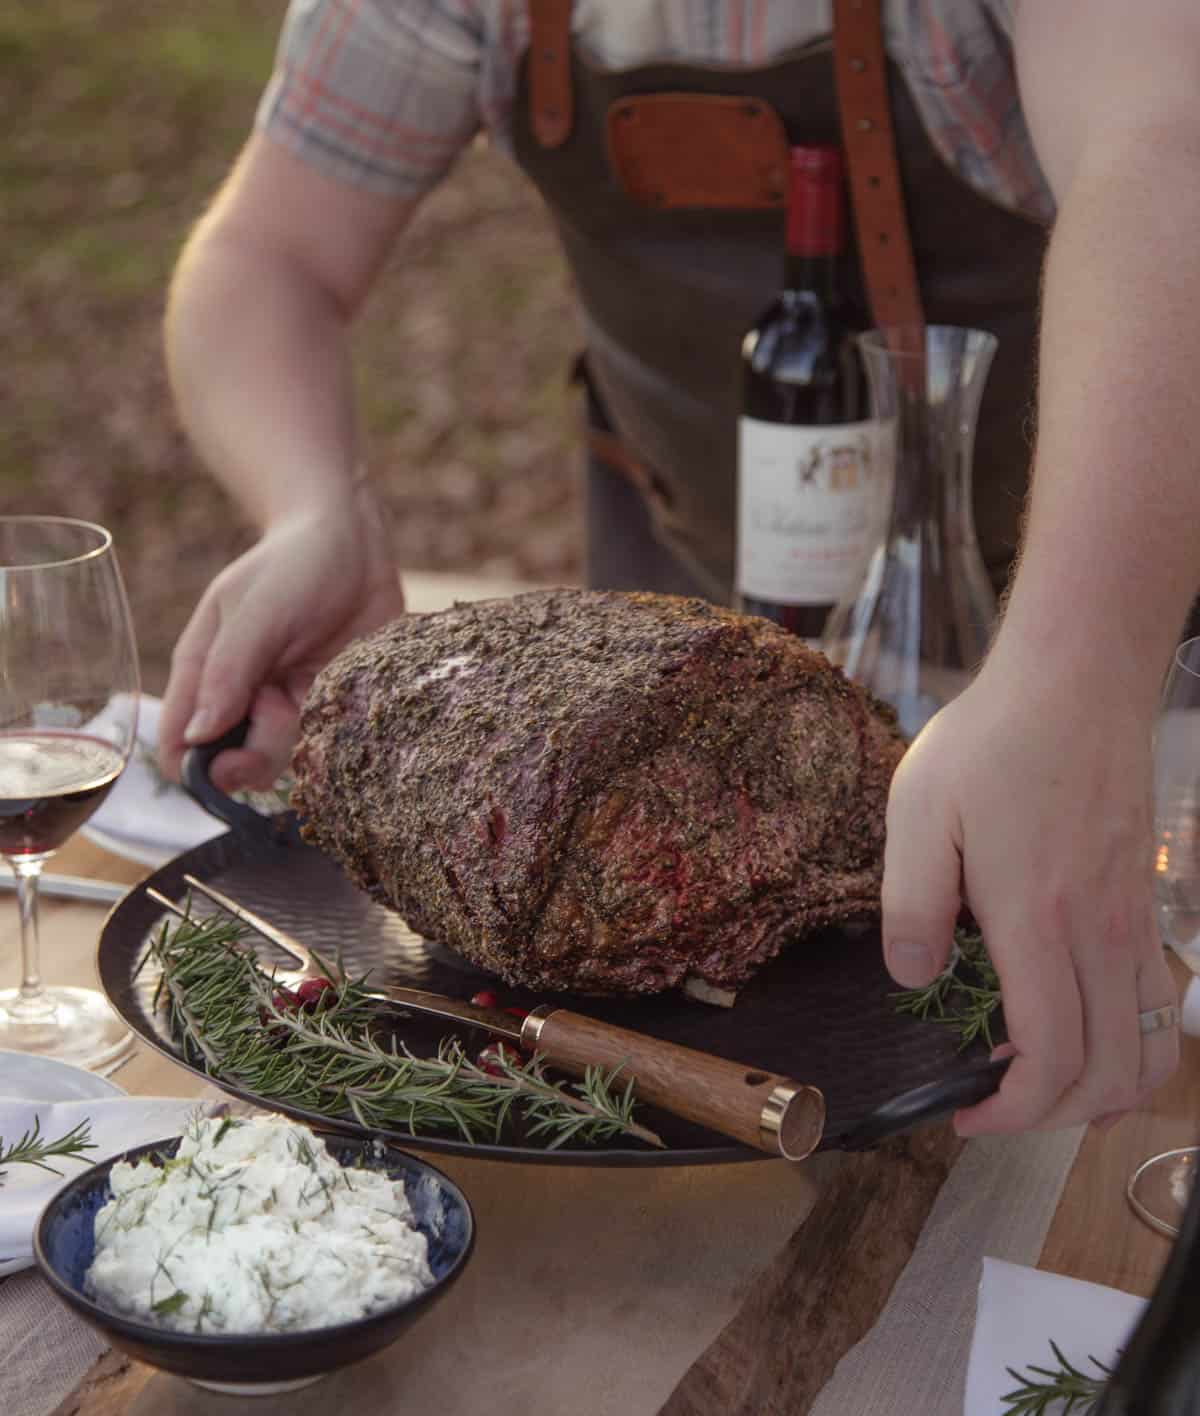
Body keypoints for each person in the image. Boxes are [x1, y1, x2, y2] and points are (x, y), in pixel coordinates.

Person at [159, 0, 1192, 1140]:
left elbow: (1166, 147)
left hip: (1120, 651)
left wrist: (1079, 673)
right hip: (674, 681)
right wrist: (317, 506)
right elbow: (266, 257)